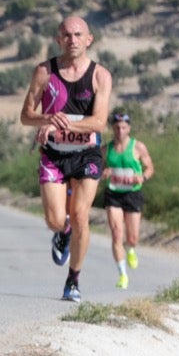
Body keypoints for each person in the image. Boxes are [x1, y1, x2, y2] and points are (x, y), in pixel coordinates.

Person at [20, 16, 113, 302]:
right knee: (55, 219)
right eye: (66, 35)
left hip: (87, 154)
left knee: (82, 214)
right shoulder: (44, 72)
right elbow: (25, 116)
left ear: (89, 39)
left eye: (78, 34)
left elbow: (98, 123)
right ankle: (63, 231)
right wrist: (47, 118)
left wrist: (63, 125)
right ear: (58, 40)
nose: (72, 40)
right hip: (54, 155)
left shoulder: (100, 76)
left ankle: (73, 280)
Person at [102, 111, 154, 289]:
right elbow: (96, 170)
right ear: (112, 128)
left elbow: (150, 168)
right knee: (117, 233)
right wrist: (104, 173)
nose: (120, 131)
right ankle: (122, 275)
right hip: (113, 193)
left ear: (129, 128)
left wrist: (143, 177)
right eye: (116, 127)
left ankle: (131, 248)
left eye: (123, 127)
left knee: (132, 237)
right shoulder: (106, 149)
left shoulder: (138, 147)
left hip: (133, 194)